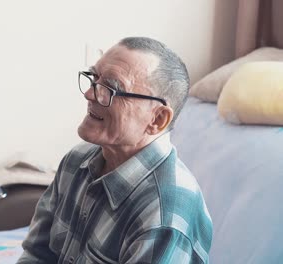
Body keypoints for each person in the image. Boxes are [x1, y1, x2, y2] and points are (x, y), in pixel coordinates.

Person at [17, 37, 213, 264]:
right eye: (94, 78)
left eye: (110, 88)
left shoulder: (164, 216)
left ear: (157, 118)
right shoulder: (76, 161)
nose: (89, 94)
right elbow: (36, 254)